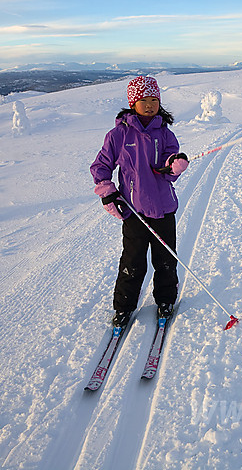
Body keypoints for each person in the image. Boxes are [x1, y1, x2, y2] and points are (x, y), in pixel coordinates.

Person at [90, 76, 189, 327]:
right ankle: (124, 307)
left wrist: (174, 165)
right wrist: (108, 192)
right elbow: (101, 166)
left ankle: (166, 300)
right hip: (134, 211)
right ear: (133, 103)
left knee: (165, 259)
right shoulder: (118, 135)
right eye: (143, 100)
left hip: (164, 208)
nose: (149, 105)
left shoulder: (165, 134)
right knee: (132, 261)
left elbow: (168, 165)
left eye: (154, 100)